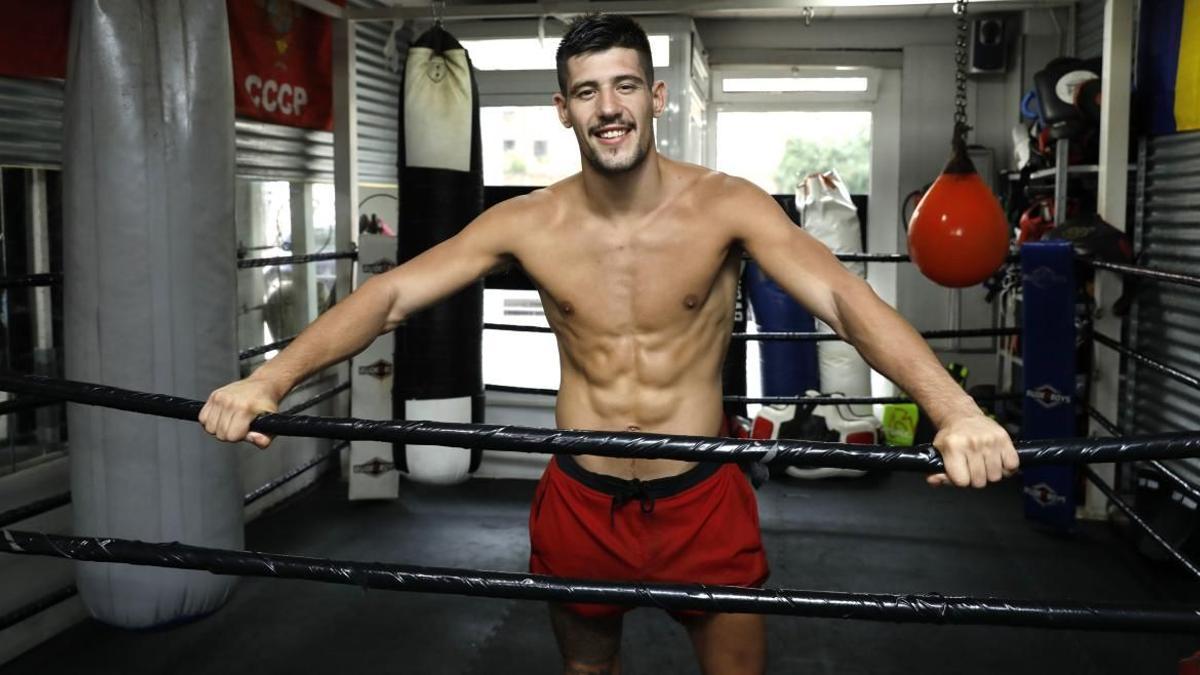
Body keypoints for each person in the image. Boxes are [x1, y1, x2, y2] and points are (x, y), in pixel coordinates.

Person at [200, 13, 1019, 675]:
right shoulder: (528, 222)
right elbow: (388, 295)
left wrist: (953, 410)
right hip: (582, 496)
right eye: (586, 92)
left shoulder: (725, 206)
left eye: (624, 84)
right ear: (564, 109)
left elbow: (843, 297)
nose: (608, 107)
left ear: (656, 96)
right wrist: (268, 379)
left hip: (700, 495)